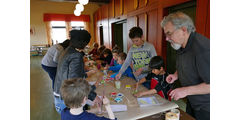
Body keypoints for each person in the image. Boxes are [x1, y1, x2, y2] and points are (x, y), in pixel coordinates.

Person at [161, 12, 210, 120]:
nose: (167, 39)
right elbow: (189, 65)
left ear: (183, 30)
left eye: (169, 33)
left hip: (207, 107)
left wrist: (185, 90)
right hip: (192, 101)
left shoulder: (203, 49)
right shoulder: (180, 44)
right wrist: (176, 75)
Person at [53, 30, 101, 114]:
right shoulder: (75, 55)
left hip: (59, 93)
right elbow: (76, 82)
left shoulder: (67, 50)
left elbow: (73, 74)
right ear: (83, 43)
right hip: (66, 97)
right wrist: (93, 96)